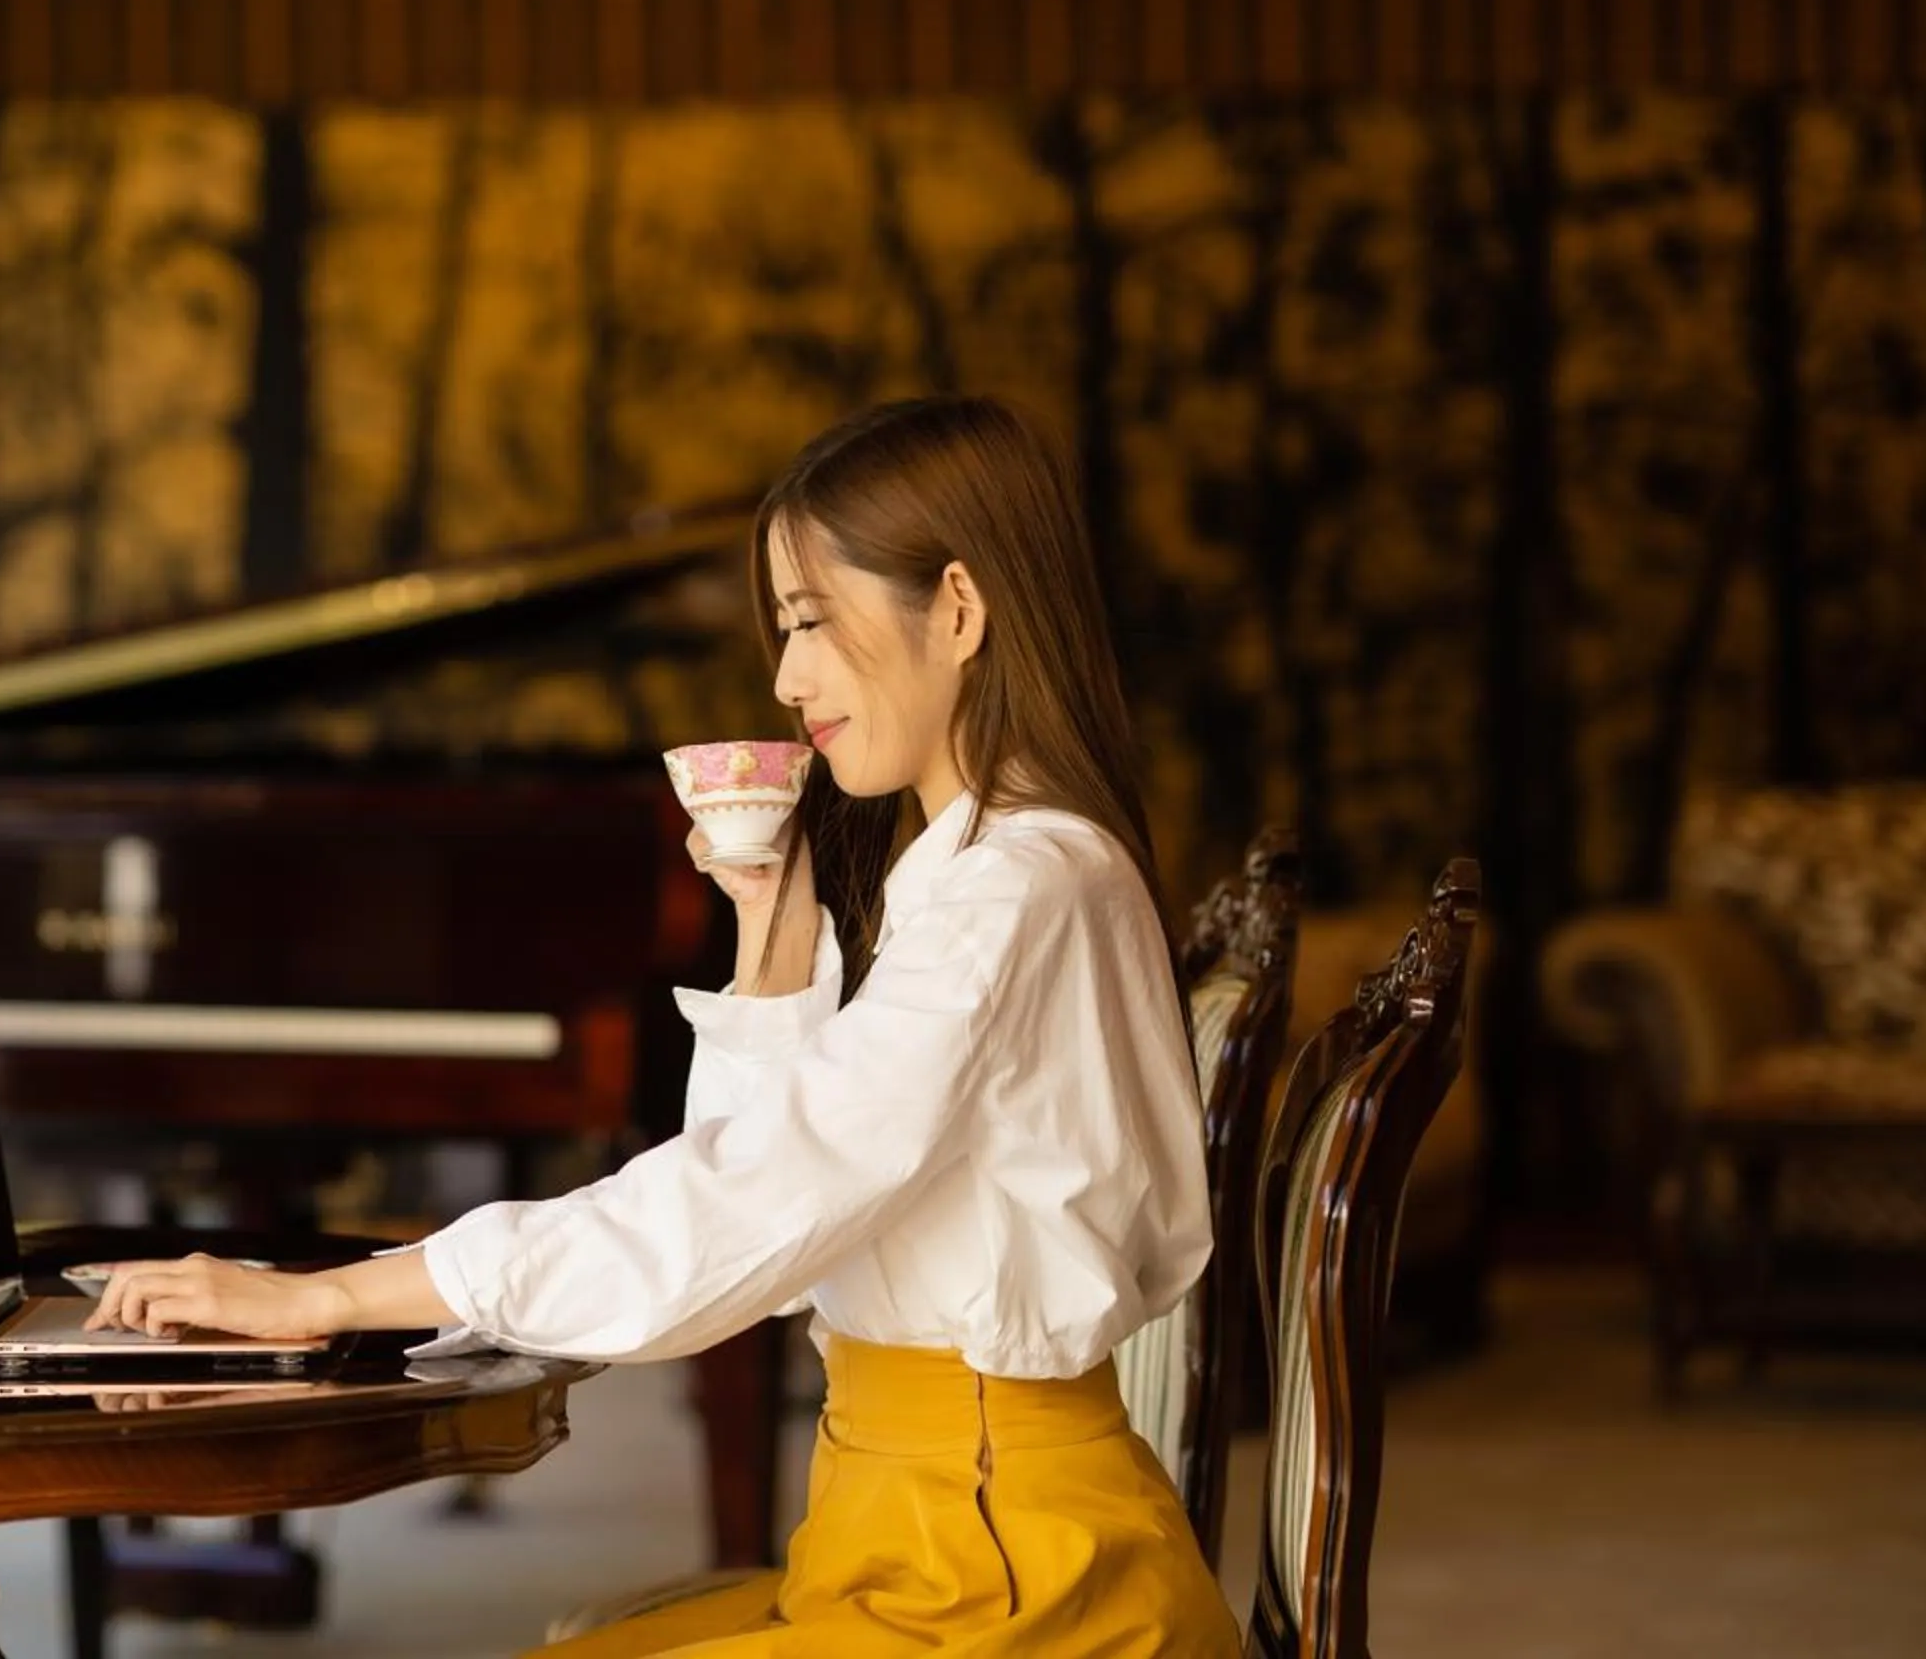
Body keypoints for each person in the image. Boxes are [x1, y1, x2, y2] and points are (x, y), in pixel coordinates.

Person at [86, 396, 1243, 1656]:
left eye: (809, 621)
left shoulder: (1014, 891)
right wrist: (773, 928)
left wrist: (335, 1297)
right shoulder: (981, 877)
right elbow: (764, 1218)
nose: (787, 676)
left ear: (958, 609)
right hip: (913, 1530)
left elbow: (738, 1208)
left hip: (1001, 1565)